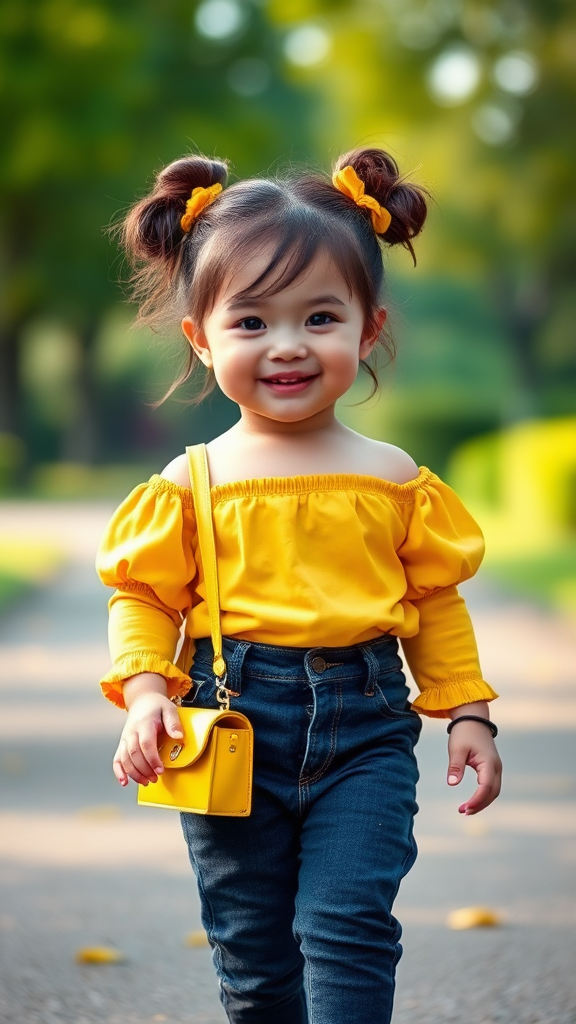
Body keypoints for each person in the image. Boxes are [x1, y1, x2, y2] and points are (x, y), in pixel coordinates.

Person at [96, 147, 502, 1024]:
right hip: (232, 724)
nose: (287, 345)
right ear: (202, 339)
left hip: (367, 731)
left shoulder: (393, 478)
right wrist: (143, 692)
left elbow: (434, 603)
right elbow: (145, 597)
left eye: (320, 317)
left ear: (368, 329)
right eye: (252, 323)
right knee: (252, 948)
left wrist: (467, 712)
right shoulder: (190, 481)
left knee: (349, 923)